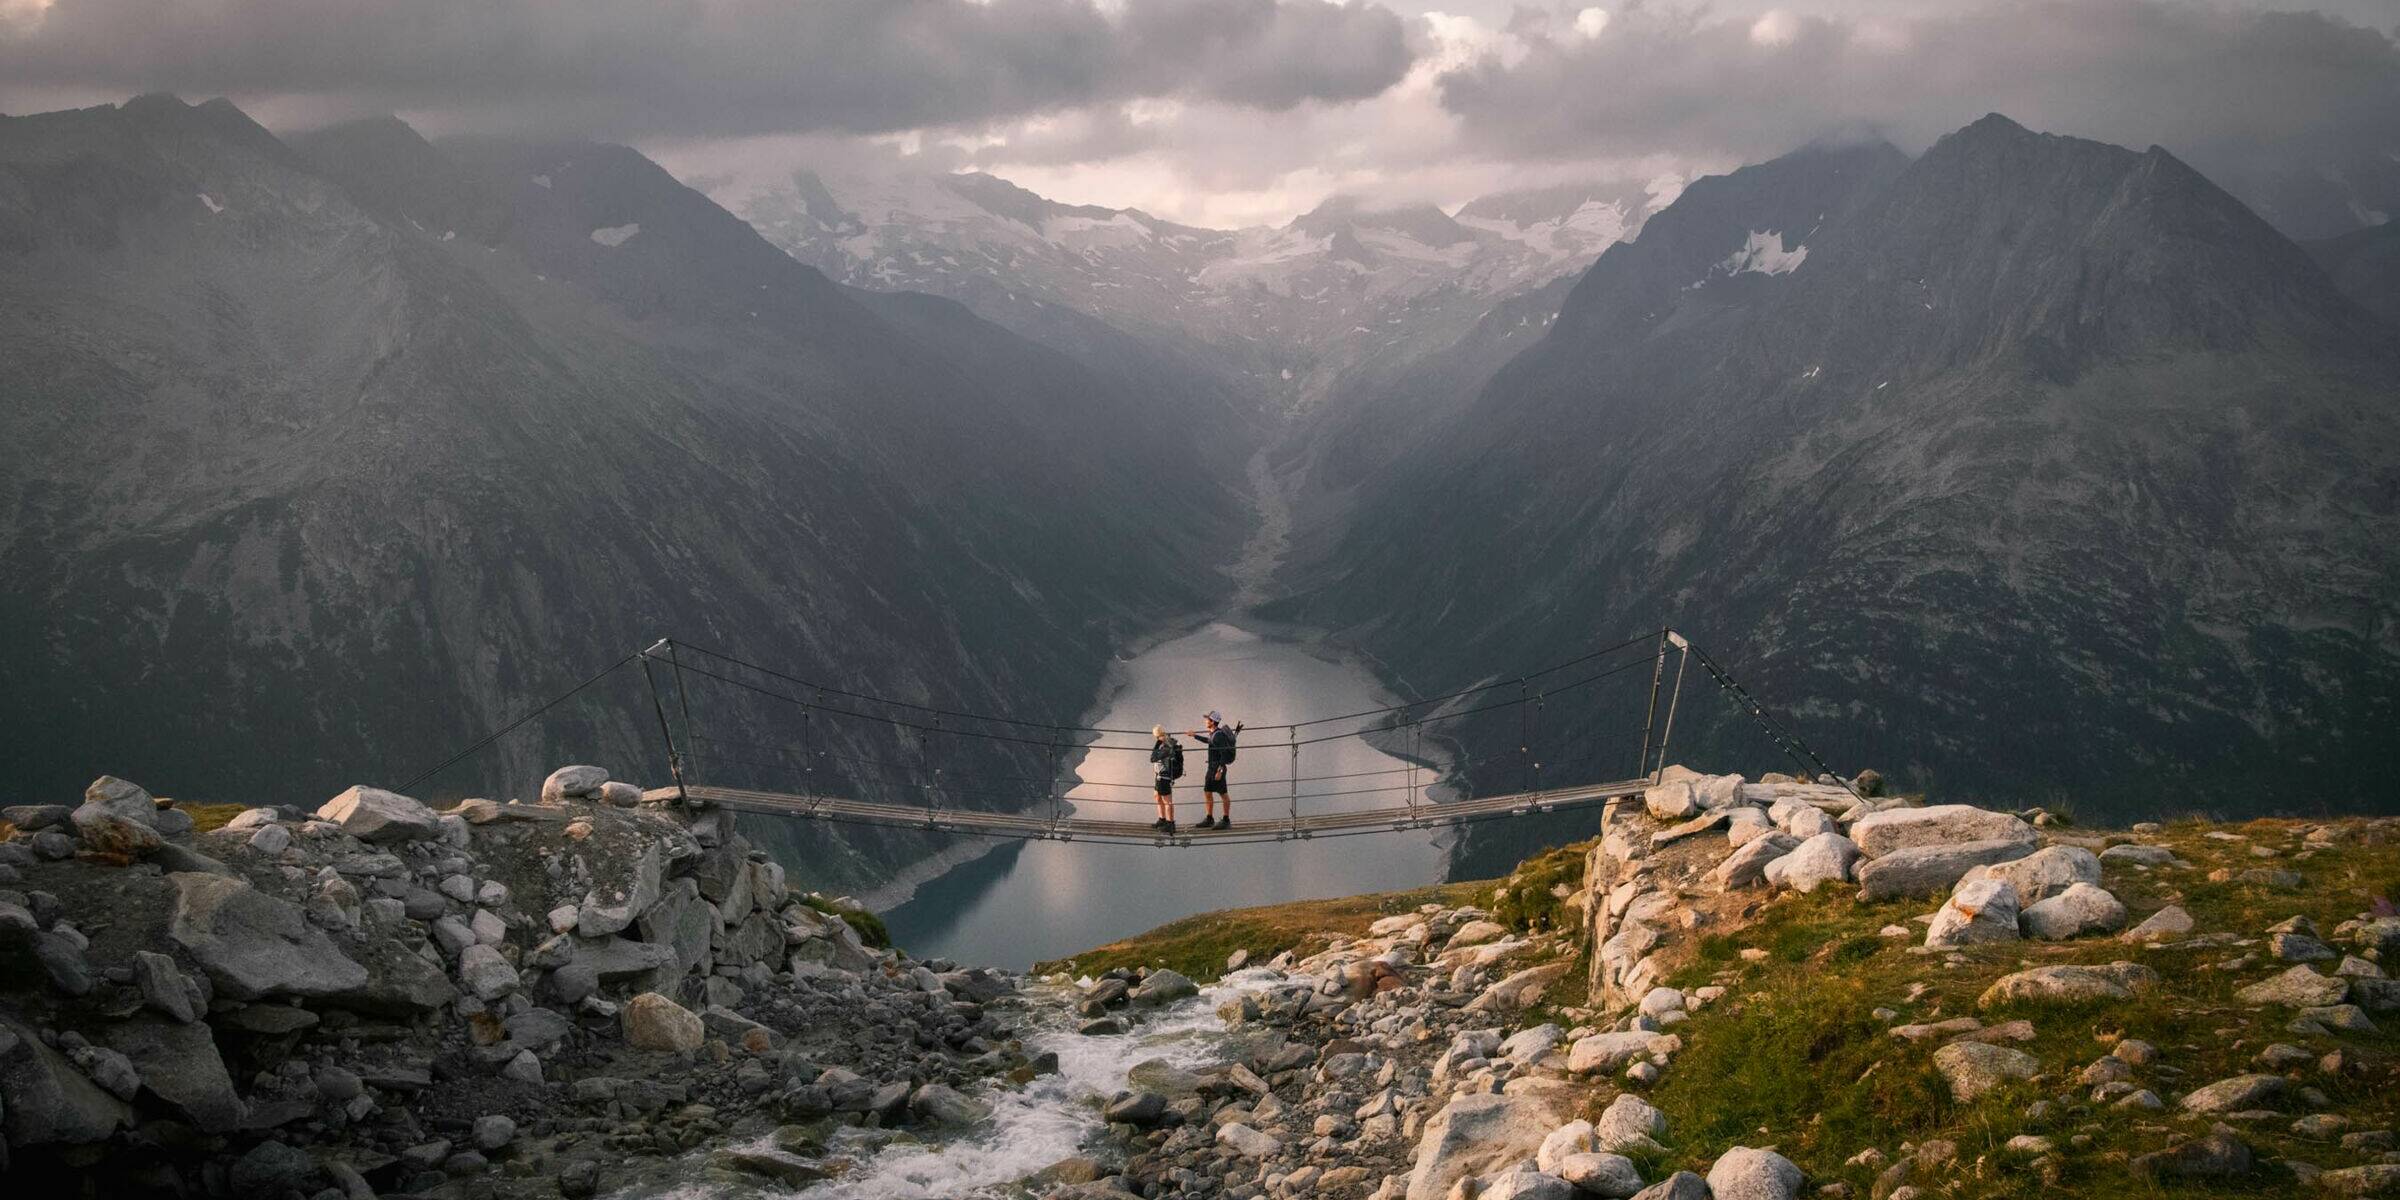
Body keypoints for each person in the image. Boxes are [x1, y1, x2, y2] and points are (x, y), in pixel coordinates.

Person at [1185, 710, 1243, 829]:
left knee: (1223, 794)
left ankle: (1226, 820)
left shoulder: (1218, 735)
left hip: (1217, 767)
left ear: (1212, 722)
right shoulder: (1214, 734)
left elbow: (1224, 754)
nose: (1206, 721)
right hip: (1211, 767)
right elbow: (1209, 741)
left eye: (1208, 719)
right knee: (1207, 791)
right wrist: (1195, 735)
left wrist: (1220, 771)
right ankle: (1209, 819)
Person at [1149, 725, 1182, 833]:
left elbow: (1152, 758)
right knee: (1157, 797)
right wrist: (1159, 743)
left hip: (1164, 776)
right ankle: (1162, 819)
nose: (1156, 739)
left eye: (1157, 737)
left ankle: (1170, 824)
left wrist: (1158, 743)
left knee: (1167, 801)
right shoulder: (1164, 744)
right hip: (1159, 776)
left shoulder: (1167, 746)